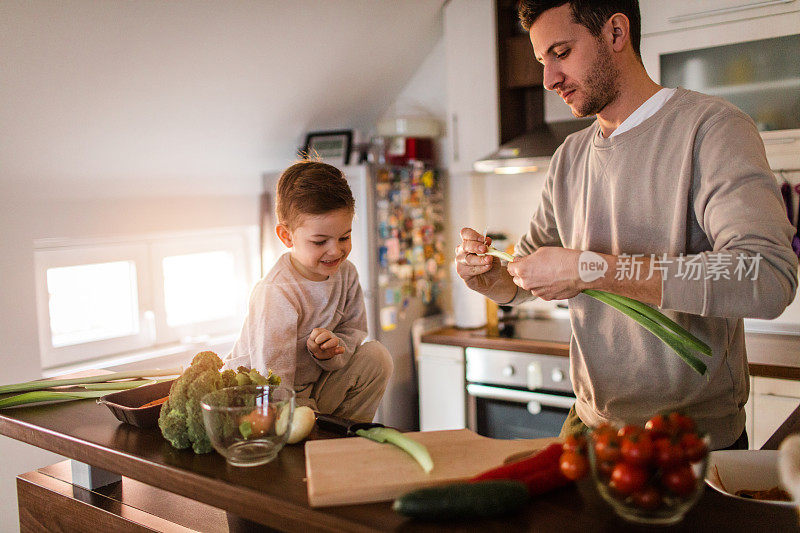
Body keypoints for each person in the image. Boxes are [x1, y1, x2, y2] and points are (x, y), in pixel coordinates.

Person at [455, 0, 798, 450]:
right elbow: (523, 279)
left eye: (561, 52)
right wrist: (491, 276)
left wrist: (595, 269)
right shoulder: (569, 158)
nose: (549, 80)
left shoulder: (712, 129)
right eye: (542, 61)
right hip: (588, 429)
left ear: (616, 33)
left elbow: (766, 276)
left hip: (691, 445)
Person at [225, 161, 393, 422]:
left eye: (344, 237)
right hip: (262, 400)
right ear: (286, 236)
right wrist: (296, 420)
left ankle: (343, 436)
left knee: (376, 357)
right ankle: (317, 436)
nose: (335, 250)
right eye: (319, 242)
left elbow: (353, 332)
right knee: (285, 408)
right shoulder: (276, 292)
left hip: (313, 388)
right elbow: (271, 380)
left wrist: (331, 351)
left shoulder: (346, 274)